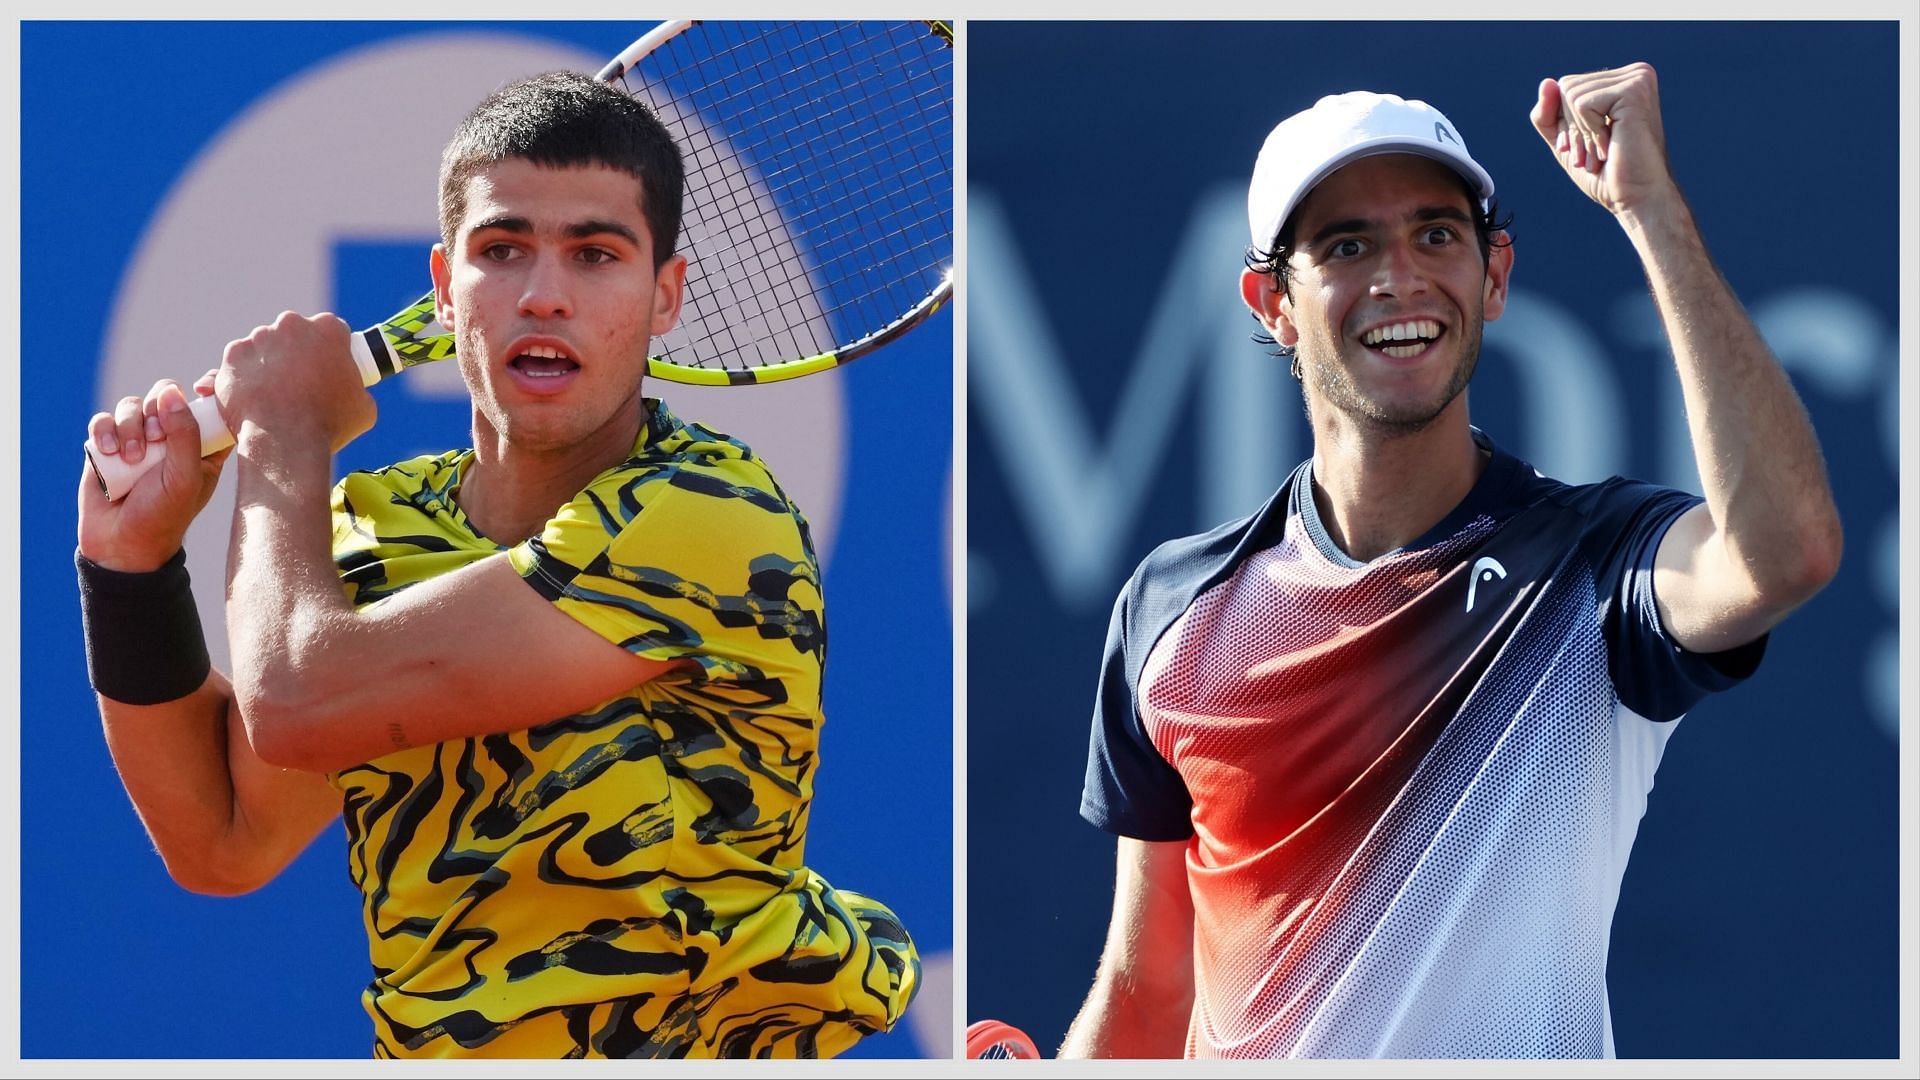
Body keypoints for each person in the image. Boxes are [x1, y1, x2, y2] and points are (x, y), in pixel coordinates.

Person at [74, 71, 917, 1059]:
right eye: (501, 250)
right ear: (442, 288)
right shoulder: (371, 533)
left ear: (666, 296)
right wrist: (130, 562)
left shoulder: (710, 519)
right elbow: (220, 838)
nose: (545, 294)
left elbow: (294, 699)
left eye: (597, 255)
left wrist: (285, 441)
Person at [1064, 63, 1841, 1059]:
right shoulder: (1171, 610)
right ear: (1273, 303)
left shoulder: (1593, 568)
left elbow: (1783, 553)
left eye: (1436, 234)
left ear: (1496, 275)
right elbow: (1145, 987)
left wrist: (1650, 212)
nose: (1400, 276)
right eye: (1347, 245)